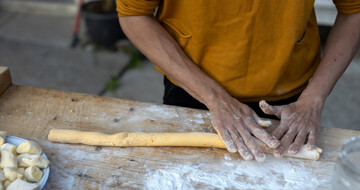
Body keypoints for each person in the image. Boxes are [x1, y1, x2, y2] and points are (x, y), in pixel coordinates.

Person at [116, 0, 360, 161]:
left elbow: (353, 9)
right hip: (192, 87)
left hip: (290, 105)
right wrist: (214, 97)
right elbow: (134, 14)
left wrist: (314, 98)